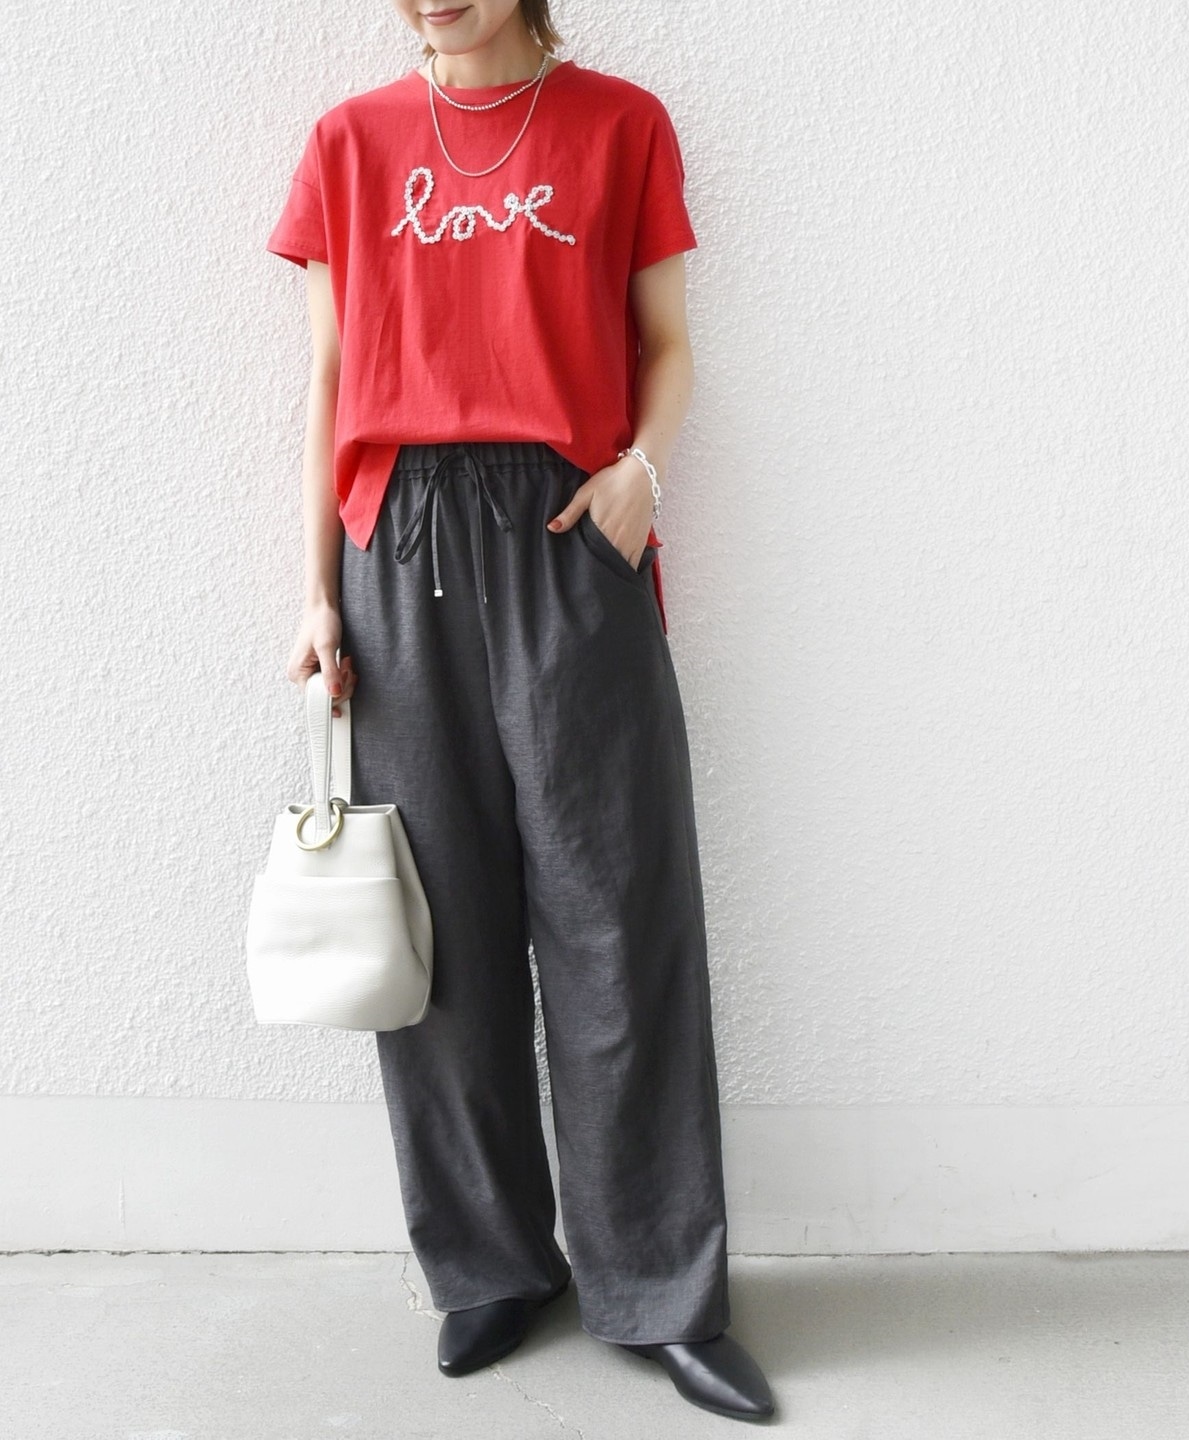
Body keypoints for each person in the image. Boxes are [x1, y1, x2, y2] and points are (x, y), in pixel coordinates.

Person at [265, 0, 774, 1422]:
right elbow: (329, 378)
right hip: (397, 549)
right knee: (439, 928)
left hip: (568, 532)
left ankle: (660, 1286)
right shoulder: (350, 143)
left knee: (619, 915)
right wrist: (317, 592)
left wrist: (638, 479)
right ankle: (490, 1267)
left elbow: (668, 344)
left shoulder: (621, 126)